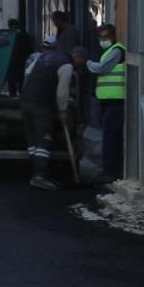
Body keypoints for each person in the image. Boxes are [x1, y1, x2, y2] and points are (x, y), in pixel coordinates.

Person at [19, 35, 74, 191]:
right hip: (41, 103)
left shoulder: (41, 59)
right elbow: (62, 92)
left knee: (32, 137)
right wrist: (63, 110)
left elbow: (27, 75)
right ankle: (39, 176)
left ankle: (36, 170)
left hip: (26, 99)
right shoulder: (66, 65)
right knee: (44, 137)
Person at [84, 22, 126, 185]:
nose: (103, 40)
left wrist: (87, 63)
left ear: (113, 37)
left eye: (106, 37)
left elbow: (102, 69)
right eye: (101, 37)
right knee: (112, 137)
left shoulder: (116, 51)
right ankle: (114, 170)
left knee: (111, 137)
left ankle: (110, 171)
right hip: (109, 101)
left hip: (116, 101)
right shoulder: (108, 51)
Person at [4, 18, 33, 97]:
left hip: (14, 61)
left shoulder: (9, 35)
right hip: (20, 61)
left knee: (13, 80)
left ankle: (14, 95)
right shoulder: (25, 35)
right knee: (19, 80)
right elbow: (31, 49)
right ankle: (20, 95)